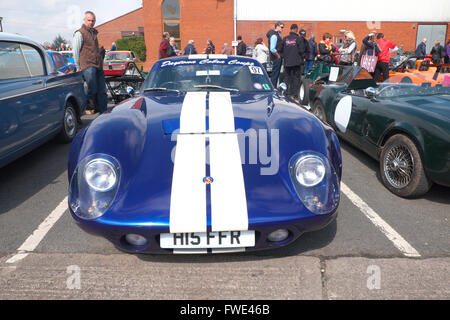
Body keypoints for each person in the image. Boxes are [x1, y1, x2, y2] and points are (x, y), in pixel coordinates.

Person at [73, 11, 107, 115]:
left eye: (93, 20)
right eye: (89, 20)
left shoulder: (94, 33)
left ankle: (104, 113)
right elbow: (75, 51)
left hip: (98, 65)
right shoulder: (79, 33)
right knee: (93, 89)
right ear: (84, 20)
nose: (91, 22)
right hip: (87, 65)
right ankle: (81, 109)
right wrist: (78, 66)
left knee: (102, 91)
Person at [281, 24, 307, 99]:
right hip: (296, 62)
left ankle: (285, 93)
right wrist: (303, 58)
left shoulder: (285, 38)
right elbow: (302, 50)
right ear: (296, 30)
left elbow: (280, 49)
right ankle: (295, 94)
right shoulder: (298, 39)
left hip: (287, 62)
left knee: (286, 78)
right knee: (296, 79)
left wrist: (284, 56)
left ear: (290, 29)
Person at [267, 21, 284, 86]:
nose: (282, 29)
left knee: (276, 73)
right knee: (275, 73)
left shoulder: (277, 35)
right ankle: (273, 87)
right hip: (276, 57)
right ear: (277, 26)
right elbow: (272, 48)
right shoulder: (274, 35)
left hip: (276, 57)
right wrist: (278, 55)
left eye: (283, 27)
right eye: (281, 27)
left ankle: (274, 86)